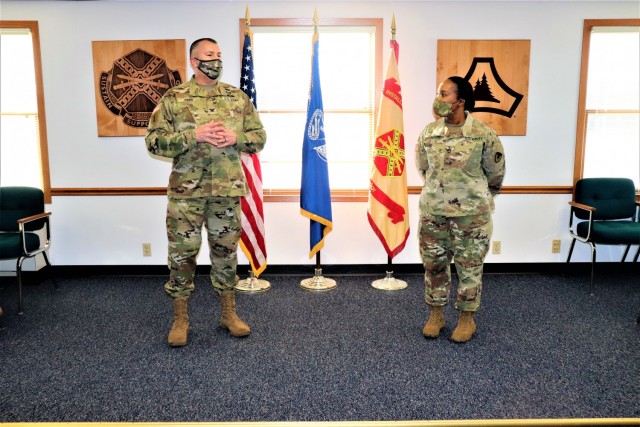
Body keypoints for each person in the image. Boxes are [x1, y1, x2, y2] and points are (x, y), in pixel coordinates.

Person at [145, 38, 266, 347]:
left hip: (226, 191)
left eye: (219, 55)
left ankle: (228, 314)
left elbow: (259, 138)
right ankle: (180, 319)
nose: (217, 59)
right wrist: (193, 135)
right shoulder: (174, 98)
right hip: (186, 194)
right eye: (210, 55)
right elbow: (154, 142)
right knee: (182, 255)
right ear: (194, 62)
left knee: (225, 254)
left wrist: (235, 137)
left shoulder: (236, 97)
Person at [415, 76, 505, 343]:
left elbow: (496, 174)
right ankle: (436, 315)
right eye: (439, 94)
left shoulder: (483, 133)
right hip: (434, 213)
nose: (438, 99)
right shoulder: (429, 133)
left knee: (469, 267)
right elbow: (423, 168)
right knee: (434, 266)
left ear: (460, 101)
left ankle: (467, 319)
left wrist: (474, 198)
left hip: (471, 217)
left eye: (444, 94)